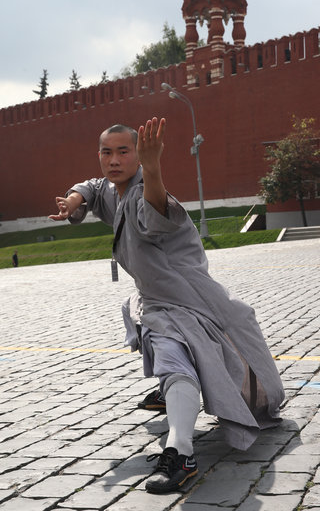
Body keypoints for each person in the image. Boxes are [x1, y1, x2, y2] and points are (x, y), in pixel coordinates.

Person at [49, 117, 284, 494]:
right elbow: (92, 188)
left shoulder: (147, 192)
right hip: (156, 300)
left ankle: (181, 454)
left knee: (180, 362)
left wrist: (153, 167)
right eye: (107, 152)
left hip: (189, 301)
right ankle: (174, 394)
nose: (114, 160)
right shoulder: (114, 191)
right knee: (147, 326)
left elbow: (155, 210)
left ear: (138, 157)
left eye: (124, 152)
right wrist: (74, 199)